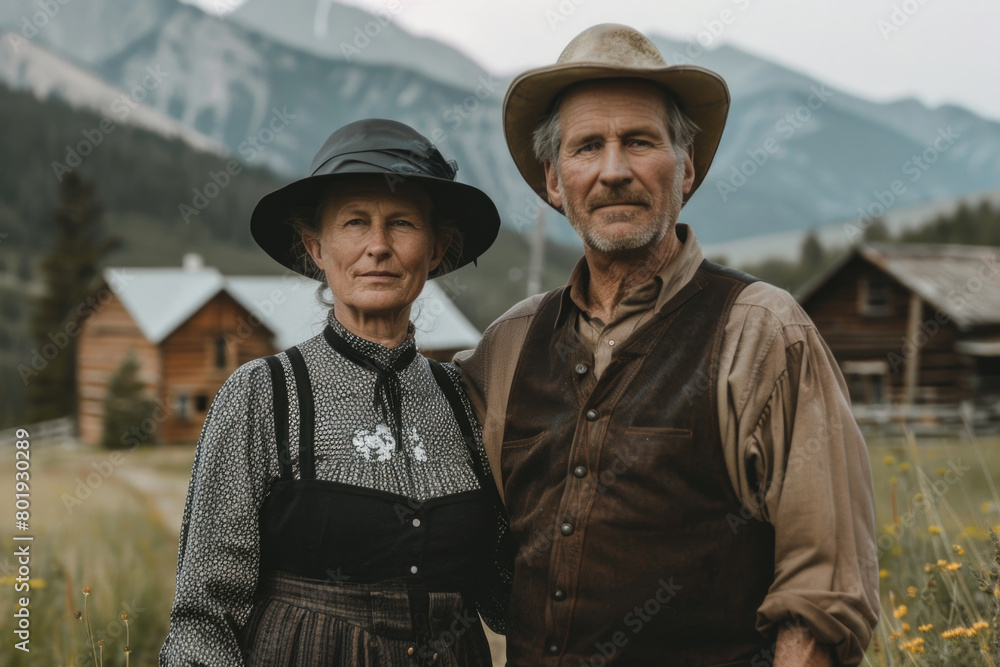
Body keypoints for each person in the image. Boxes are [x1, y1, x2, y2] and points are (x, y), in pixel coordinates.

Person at [455, 24, 878, 666]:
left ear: (686, 171)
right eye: (587, 146)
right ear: (552, 179)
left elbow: (825, 591)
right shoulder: (507, 346)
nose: (614, 170)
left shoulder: (762, 330)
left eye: (640, 142)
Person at [160, 119, 510, 666]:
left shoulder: (466, 399)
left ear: (436, 248)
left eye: (402, 223)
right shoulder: (261, 395)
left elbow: (510, 598)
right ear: (315, 247)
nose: (378, 246)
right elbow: (204, 619)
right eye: (354, 222)